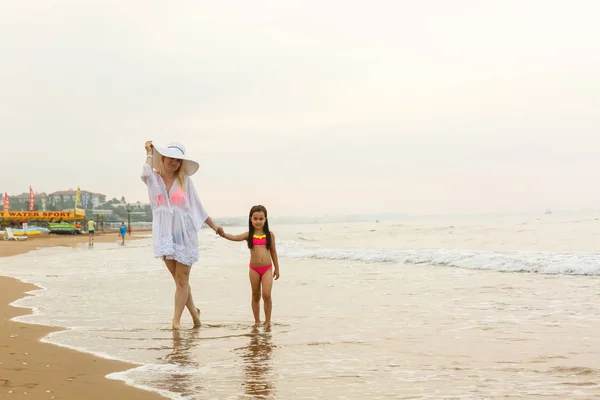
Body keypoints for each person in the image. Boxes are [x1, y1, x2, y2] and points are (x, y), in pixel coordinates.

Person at [141, 140, 224, 330]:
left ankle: (176, 322)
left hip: (185, 235)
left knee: (182, 280)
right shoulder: (153, 179)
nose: (174, 162)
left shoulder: (185, 181)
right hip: (165, 236)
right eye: (171, 158)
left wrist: (214, 226)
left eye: (178, 160)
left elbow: (198, 208)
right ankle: (195, 312)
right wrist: (148, 152)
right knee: (179, 281)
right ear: (163, 157)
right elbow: (144, 172)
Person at [221, 205, 280, 326]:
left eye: (261, 218)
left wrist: (277, 268)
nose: (258, 221)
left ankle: (267, 322)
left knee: (267, 295)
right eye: (255, 218)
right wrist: (223, 234)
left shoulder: (270, 235)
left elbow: (273, 252)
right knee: (256, 295)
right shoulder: (248, 235)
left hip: (267, 269)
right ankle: (257, 321)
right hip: (254, 269)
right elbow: (235, 237)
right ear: (250, 219)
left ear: (265, 219)